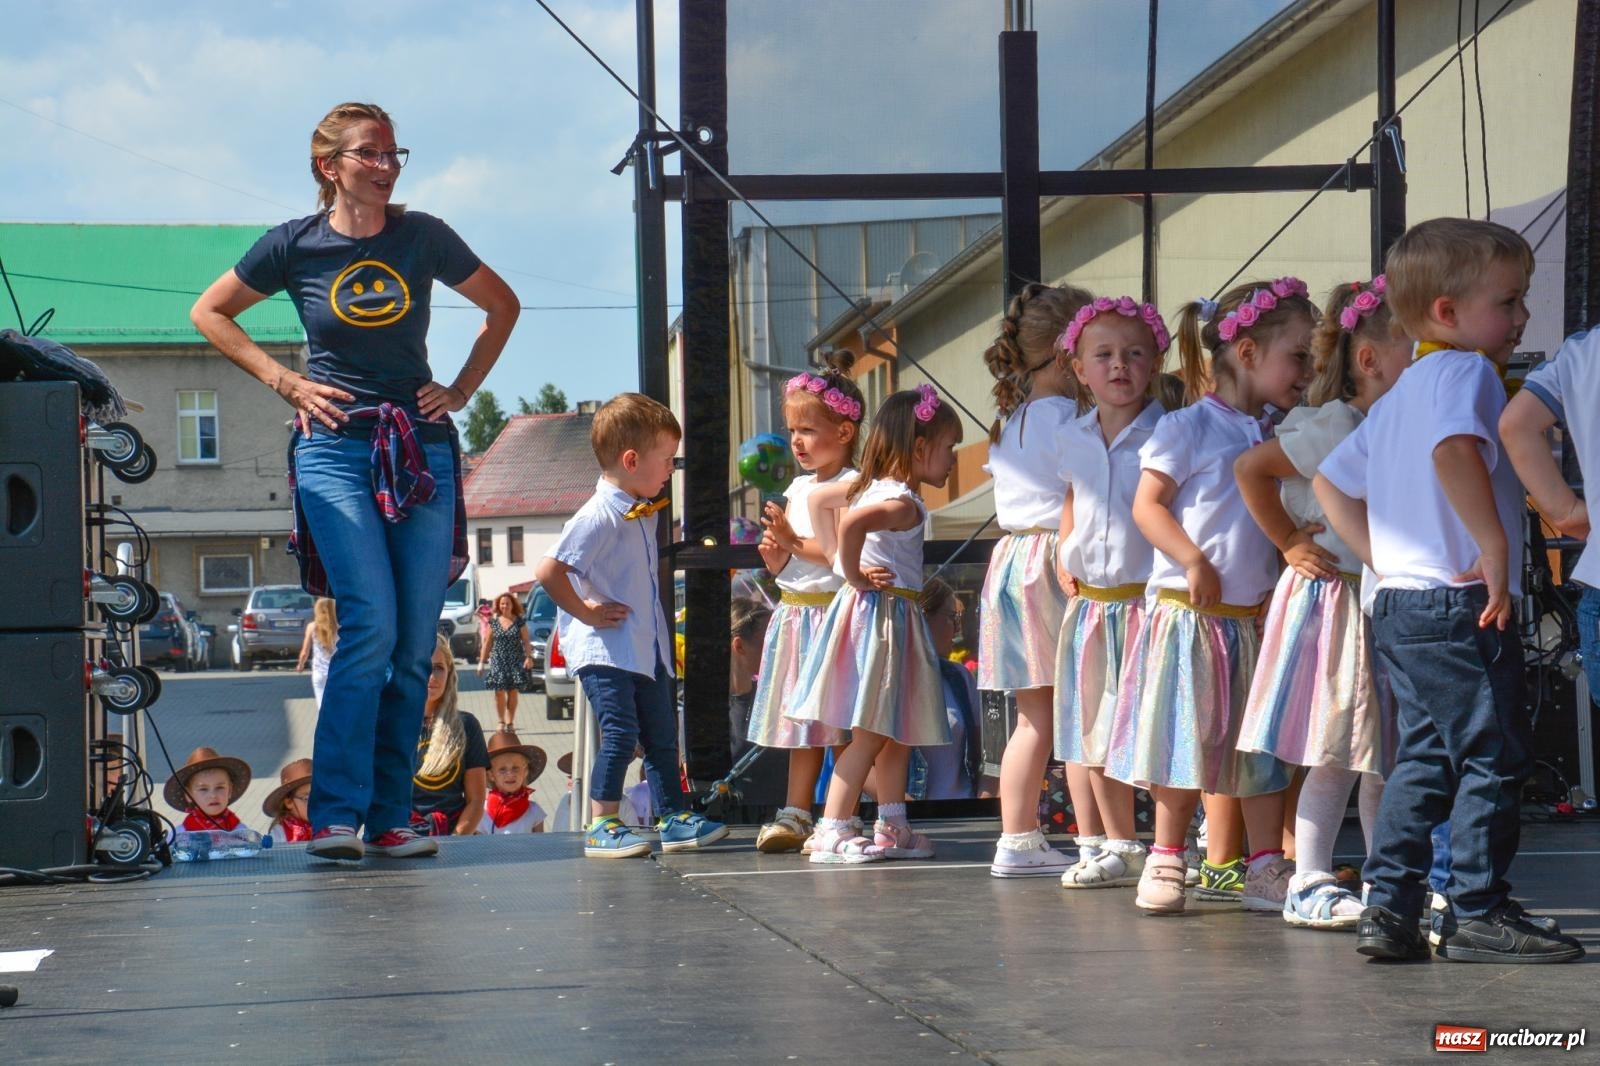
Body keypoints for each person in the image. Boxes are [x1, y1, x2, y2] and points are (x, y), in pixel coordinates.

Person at [190, 102, 519, 862]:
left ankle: (391, 816)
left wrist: (462, 389)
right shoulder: (292, 246)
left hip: (419, 448)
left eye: (393, 152)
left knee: (412, 644)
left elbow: (501, 306)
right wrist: (285, 381)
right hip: (335, 446)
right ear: (328, 167)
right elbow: (210, 313)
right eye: (369, 154)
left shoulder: (423, 235)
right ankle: (336, 814)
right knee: (368, 622)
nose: (386, 166)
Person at [1316, 218, 1582, 963]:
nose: (1522, 316)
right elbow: (1453, 451)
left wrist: (1382, 560)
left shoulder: (1401, 392)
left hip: (1402, 604)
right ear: (1446, 313)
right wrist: (1492, 546)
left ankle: (1390, 907)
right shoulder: (1465, 374)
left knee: (1430, 758)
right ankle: (1478, 909)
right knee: (1495, 752)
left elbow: (1330, 481)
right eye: (1509, 300)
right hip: (1460, 603)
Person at [1110, 277, 1316, 915]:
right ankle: (1167, 856)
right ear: (1248, 353)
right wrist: (1191, 559)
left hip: (1248, 620)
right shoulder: (1187, 426)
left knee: (1256, 750)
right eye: (1299, 355)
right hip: (1189, 617)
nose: (1308, 370)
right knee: (1184, 742)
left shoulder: (1274, 433)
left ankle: (1263, 867)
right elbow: (1147, 507)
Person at [1232, 277, 1410, 927]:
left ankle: (1385, 875)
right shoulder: (1333, 424)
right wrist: (1286, 541)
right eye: (1413, 350)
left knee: (1382, 752)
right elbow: (1251, 470)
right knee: (1337, 749)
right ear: (1370, 359)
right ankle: (1308, 877)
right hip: (1336, 601)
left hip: (1379, 600)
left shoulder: (1389, 422)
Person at [533, 393, 728, 858]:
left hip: (644, 646)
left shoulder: (641, 508)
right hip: (606, 649)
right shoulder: (598, 515)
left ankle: (673, 817)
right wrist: (587, 613)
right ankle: (602, 822)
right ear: (632, 459)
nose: (671, 470)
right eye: (667, 460)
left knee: (662, 735)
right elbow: (548, 572)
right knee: (620, 733)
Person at [786, 385, 962, 863]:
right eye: (949, 449)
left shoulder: (868, 485)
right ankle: (833, 827)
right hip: (885, 618)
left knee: (893, 725)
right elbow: (849, 525)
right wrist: (853, 570)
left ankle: (892, 823)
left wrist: (846, 572)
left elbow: (823, 501)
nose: (953, 460)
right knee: (871, 733)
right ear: (920, 449)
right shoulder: (905, 503)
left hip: (874, 616)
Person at [1052, 295, 1170, 889]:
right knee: (1095, 724)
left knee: (1154, 723)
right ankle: (1121, 842)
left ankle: (1177, 841)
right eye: (1103, 355)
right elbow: (1074, 494)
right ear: (1078, 368)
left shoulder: (1168, 433)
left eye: (1133, 353)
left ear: (1155, 362)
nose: (1118, 365)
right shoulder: (1072, 437)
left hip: (1150, 604)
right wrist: (1063, 547)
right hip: (1093, 605)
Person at [977, 283, 1095, 878]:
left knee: (1032, 717)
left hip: (1011, 562)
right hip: (1055, 561)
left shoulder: (1012, 419)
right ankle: (1096, 839)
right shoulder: (1072, 419)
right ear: (1066, 353)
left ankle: (1017, 837)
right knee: (1073, 711)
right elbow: (1085, 491)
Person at [746, 357, 864, 852]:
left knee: (839, 724)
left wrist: (792, 543)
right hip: (797, 611)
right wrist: (776, 557)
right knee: (804, 724)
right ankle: (796, 811)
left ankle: (845, 813)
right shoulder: (797, 487)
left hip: (832, 615)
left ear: (844, 430)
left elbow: (840, 557)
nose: (796, 441)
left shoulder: (854, 485)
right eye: (792, 430)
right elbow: (794, 556)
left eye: (808, 430)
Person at [909, 579, 984, 801]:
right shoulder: (885, 682)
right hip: (901, 822)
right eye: (952, 617)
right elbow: (853, 761)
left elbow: (984, 759)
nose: (959, 629)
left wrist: (984, 805)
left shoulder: (960, 678)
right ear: (922, 618)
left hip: (961, 814)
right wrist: (901, 808)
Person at [412, 635, 489, 837]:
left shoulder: (467, 725)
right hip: (401, 838)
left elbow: (476, 800)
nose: (432, 676)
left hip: (453, 836)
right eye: (424, 667)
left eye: (439, 668)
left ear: (449, 674)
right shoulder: (391, 725)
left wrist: (455, 842)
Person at [478, 592, 535, 733]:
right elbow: (487, 643)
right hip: (498, 660)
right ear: (498, 605)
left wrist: (529, 657)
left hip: (515, 660)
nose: (505, 606)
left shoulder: (519, 622)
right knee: (499, 691)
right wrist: (481, 662)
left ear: (512, 605)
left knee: (513, 691)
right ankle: (501, 721)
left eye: (507, 603)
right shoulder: (494, 622)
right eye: (502, 603)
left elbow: (526, 641)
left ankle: (510, 722)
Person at [164, 746, 252, 832]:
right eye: (203, 789)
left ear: (230, 790)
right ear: (188, 795)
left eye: (220, 787)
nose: (213, 795)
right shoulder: (180, 836)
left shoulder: (241, 832)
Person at [477, 731, 549, 834]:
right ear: (491, 775)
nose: (510, 774)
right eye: (502, 769)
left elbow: (541, 846)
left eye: (516, 768)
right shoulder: (482, 811)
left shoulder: (534, 811)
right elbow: (477, 846)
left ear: (525, 772)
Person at [296, 598, 338, 710]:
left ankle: (325, 726)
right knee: (337, 706)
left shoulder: (312, 627)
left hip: (319, 673)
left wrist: (300, 665)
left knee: (322, 708)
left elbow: (305, 651)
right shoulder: (338, 628)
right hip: (336, 673)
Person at [264, 759, 314, 844]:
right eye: (307, 798)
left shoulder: (332, 825)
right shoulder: (280, 834)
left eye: (321, 797)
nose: (316, 803)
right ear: (289, 802)